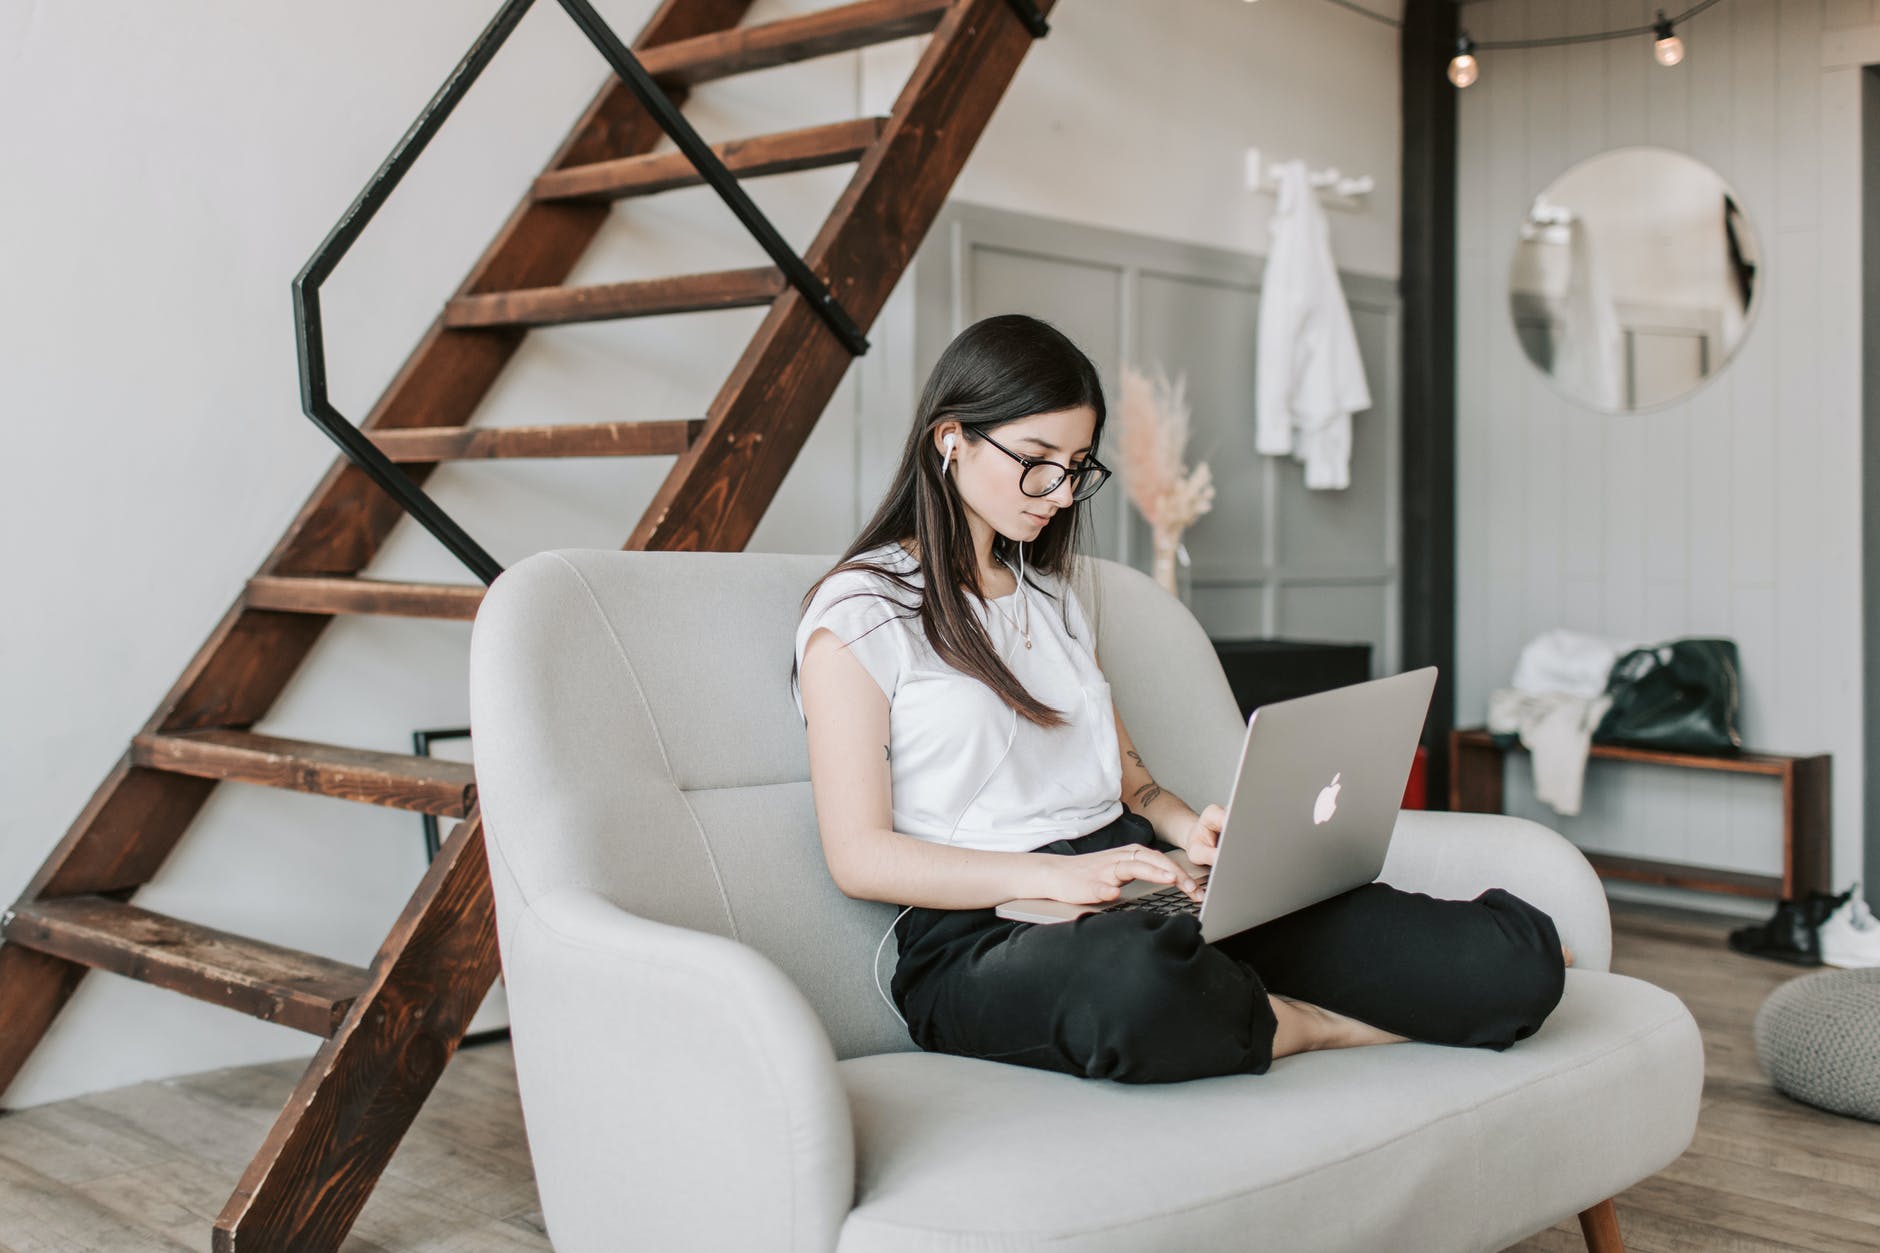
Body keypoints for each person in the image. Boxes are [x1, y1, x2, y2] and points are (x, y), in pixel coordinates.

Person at [790, 313, 1568, 1084]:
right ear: (949, 438)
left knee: (1506, 961)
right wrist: (1045, 876)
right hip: (986, 938)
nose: (1060, 492)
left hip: (1140, 891)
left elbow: (1137, 785)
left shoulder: (1052, 598)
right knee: (1141, 985)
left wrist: (1196, 832)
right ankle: (1315, 1025)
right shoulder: (860, 614)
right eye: (1036, 461)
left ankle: (1263, 998)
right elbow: (859, 855)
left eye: (1077, 466)